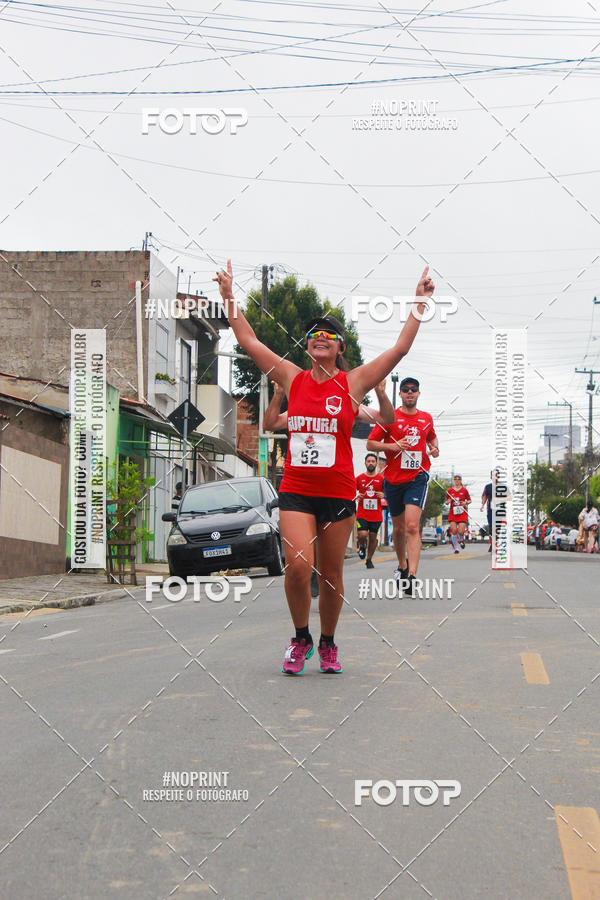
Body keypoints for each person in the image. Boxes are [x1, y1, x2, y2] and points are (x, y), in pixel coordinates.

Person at [214, 259, 434, 674]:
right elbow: (248, 339)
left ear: (340, 348)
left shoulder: (352, 384)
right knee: (298, 568)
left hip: (336, 494)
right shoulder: (292, 377)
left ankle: (329, 642)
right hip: (297, 490)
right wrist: (229, 296)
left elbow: (400, 348)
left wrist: (418, 303)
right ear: (308, 345)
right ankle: (301, 638)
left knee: (331, 575)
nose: (321, 338)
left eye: (330, 335)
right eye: (315, 334)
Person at [263, 379, 395, 596]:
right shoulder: (299, 409)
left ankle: (324, 575)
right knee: (308, 537)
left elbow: (385, 419)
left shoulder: (345, 404)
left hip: (333, 488)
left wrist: (381, 392)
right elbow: (270, 424)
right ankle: (312, 572)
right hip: (302, 488)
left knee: (329, 553)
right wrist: (278, 395)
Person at [366, 376, 439, 597]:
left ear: (418, 393)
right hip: (393, 480)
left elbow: (432, 440)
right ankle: (402, 564)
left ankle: (413, 575)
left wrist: (434, 449)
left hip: (417, 478)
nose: (409, 393)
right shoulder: (390, 418)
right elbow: (370, 443)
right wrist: (393, 445)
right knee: (398, 529)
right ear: (400, 394)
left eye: (413, 390)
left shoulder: (426, 419)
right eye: (405, 389)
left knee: (412, 526)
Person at [356, 453, 385, 569]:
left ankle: (369, 559)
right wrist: (357, 495)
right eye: (369, 461)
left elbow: (389, 493)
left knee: (373, 537)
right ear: (365, 463)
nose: (371, 463)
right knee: (362, 534)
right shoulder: (359, 478)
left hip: (376, 514)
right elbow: (351, 490)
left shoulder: (381, 479)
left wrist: (383, 494)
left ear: (376, 464)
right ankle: (361, 545)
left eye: (373, 461)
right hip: (362, 513)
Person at [445, 475, 471, 554]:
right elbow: (446, 501)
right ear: (453, 481)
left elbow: (469, 500)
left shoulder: (464, 490)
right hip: (453, 512)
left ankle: (461, 539)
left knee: (460, 531)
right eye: (455, 480)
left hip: (462, 512)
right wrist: (447, 502)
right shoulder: (450, 491)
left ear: (460, 481)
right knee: (454, 530)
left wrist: (465, 502)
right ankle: (456, 548)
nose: (457, 481)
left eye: (458, 480)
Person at [480, 471, 497, 553]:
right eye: (493, 475)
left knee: (499, 528)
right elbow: (484, 496)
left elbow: (509, 497)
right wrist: (482, 505)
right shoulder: (488, 487)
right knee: (491, 528)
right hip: (490, 510)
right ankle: (492, 544)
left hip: (500, 510)